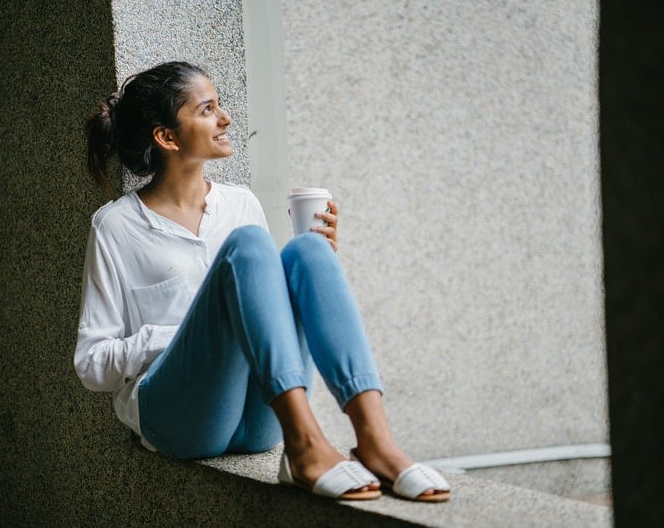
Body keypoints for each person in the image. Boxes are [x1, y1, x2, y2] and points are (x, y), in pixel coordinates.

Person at [75, 61, 450, 502]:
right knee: (250, 246)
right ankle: (308, 446)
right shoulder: (117, 226)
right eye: (208, 109)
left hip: (259, 420)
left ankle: (374, 439)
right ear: (168, 137)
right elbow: (90, 364)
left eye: (220, 105)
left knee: (308, 250)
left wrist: (316, 273)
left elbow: (263, 315)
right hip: (180, 419)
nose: (226, 118)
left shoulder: (240, 203)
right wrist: (180, 337)